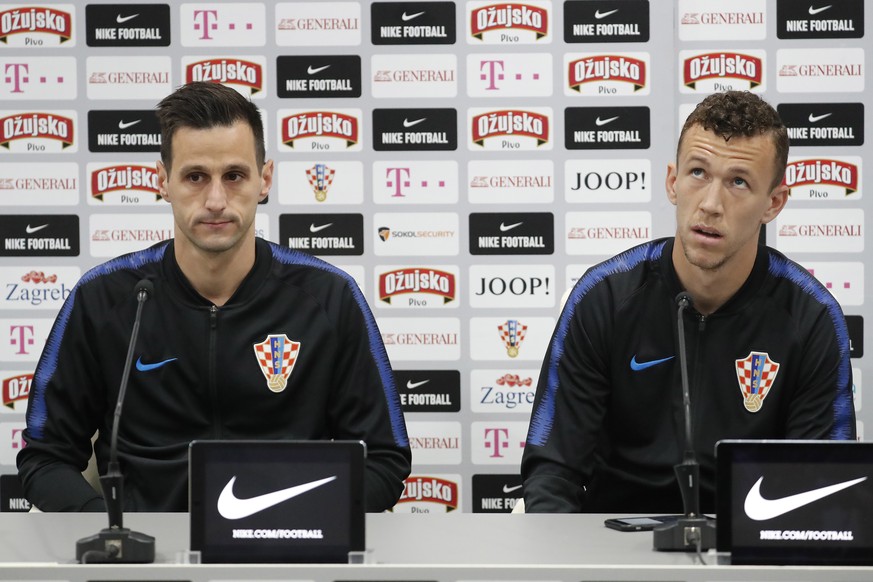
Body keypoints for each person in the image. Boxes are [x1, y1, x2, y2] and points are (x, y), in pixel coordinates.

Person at [17, 81, 411, 513]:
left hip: (288, 559)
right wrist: (114, 535)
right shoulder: (104, 298)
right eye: (195, 177)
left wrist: (308, 526)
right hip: (146, 563)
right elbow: (45, 456)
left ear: (265, 179)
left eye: (235, 176)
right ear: (163, 181)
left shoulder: (329, 297)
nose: (216, 200)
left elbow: (384, 458)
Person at [521, 90, 856, 513]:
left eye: (738, 182)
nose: (711, 204)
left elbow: (820, 486)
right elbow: (553, 470)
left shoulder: (812, 318)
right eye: (698, 173)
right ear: (672, 182)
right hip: (612, 546)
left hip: (746, 556)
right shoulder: (604, 297)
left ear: (773, 203)